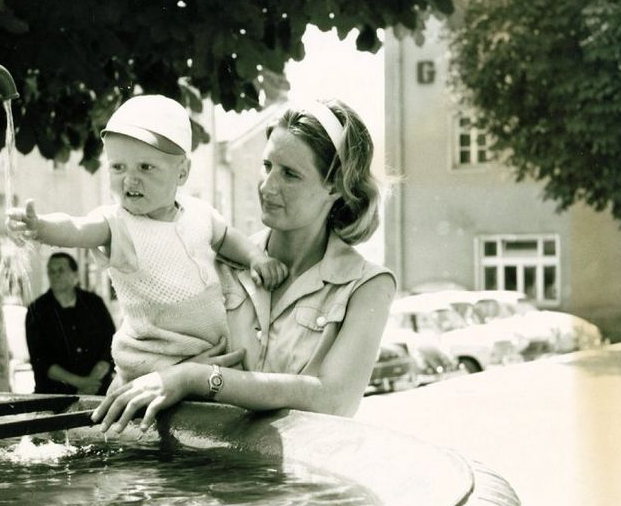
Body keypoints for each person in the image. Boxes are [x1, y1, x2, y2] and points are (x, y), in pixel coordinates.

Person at [91, 98, 395, 433]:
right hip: (192, 477)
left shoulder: (367, 286)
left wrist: (199, 378)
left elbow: (333, 399)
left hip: (297, 483)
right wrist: (170, 373)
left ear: (335, 186)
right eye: (268, 166)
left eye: (290, 174)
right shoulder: (209, 257)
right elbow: (138, 371)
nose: (268, 186)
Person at [7, 94, 288, 383]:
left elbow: (227, 237)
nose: (130, 179)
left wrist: (256, 258)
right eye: (118, 167)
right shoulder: (118, 224)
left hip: (208, 352)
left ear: (182, 172)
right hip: (154, 362)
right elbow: (76, 228)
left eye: (145, 167)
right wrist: (40, 227)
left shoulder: (199, 213)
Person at [25, 252, 116, 395]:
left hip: (98, 390)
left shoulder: (94, 304)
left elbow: (111, 345)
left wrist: (92, 382)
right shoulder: (36, 310)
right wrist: (81, 383)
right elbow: (40, 361)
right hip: (54, 395)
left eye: (61, 270)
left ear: (75, 275)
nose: (55, 275)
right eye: (51, 271)